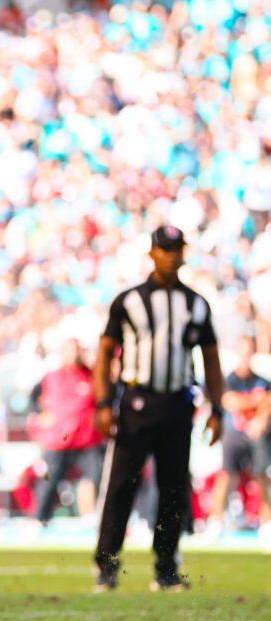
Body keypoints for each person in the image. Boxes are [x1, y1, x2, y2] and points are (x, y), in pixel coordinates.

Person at [93, 225, 225, 592]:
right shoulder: (128, 300)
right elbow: (105, 353)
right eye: (164, 249)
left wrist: (218, 409)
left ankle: (166, 568)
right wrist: (103, 403)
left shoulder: (197, 303)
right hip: (136, 402)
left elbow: (211, 360)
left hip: (177, 404)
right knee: (122, 486)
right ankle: (106, 566)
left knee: (174, 489)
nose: (171, 255)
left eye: (176, 249)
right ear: (152, 253)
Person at [28, 337, 104, 526]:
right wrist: (39, 415)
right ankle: (38, 519)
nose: (74, 354)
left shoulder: (92, 375)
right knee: (49, 480)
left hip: (87, 439)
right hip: (59, 439)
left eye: (76, 350)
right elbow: (33, 399)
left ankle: (91, 517)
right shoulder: (52, 376)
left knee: (97, 476)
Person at [204, 336, 271, 543]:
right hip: (233, 434)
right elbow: (230, 401)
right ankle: (214, 522)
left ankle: (266, 523)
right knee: (225, 476)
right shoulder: (229, 379)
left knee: (261, 476)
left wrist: (260, 418)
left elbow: (268, 403)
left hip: (256, 435)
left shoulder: (262, 380)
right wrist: (255, 401)